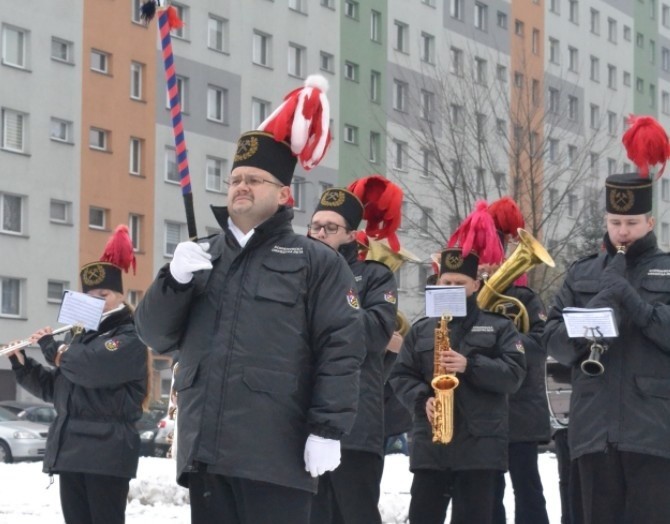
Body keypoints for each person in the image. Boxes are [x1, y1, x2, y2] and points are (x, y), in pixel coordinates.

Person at [135, 76, 365, 524]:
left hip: (275, 456)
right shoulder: (200, 256)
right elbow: (154, 334)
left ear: (283, 194)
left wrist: (327, 428)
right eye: (236, 178)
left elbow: (341, 349)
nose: (241, 185)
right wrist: (173, 281)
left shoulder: (314, 261)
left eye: (255, 179)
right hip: (206, 454)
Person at [543, 115, 670, 524]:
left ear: (650, 222)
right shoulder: (582, 273)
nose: (623, 232)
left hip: (652, 432)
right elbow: (556, 343)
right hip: (592, 431)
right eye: (615, 223)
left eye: (632, 223)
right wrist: (599, 302)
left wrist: (627, 296)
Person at [5, 225, 149, 524]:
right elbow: (57, 389)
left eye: (104, 293)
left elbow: (91, 369)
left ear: (121, 295)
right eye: (90, 295)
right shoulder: (80, 338)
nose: (96, 300)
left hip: (106, 453)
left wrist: (55, 349)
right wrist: (22, 364)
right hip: (73, 451)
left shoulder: (129, 337)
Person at [390, 246, 526, 524]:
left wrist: (469, 365)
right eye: (446, 282)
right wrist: (421, 400)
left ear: (475, 285)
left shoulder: (499, 327)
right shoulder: (422, 329)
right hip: (432, 446)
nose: (451, 288)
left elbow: (513, 375)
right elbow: (400, 375)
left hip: (480, 450)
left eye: (459, 284)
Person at [308, 182, 399, 524]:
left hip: (356, 428)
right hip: (303, 422)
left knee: (355, 515)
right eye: (315, 226)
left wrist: (327, 301)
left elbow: (376, 333)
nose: (319, 234)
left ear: (351, 235)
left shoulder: (375, 276)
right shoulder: (293, 273)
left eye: (330, 228)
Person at [477, 198, 552, 524]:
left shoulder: (524, 298)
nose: (486, 265)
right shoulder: (467, 298)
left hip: (520, 407)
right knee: (486, 491)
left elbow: (540, 342)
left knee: (527, 488)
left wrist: (505, 342)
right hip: (482, 408)